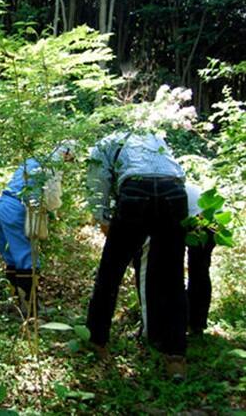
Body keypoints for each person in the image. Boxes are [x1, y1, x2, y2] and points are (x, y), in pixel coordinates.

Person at [85, 132, 188, 380]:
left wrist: (102, 217)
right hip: (174, 192)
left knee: (110, 273)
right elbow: (177, 172)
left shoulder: (103, 144)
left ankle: (96, 343)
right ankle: (175, 356)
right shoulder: (155, 139)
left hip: (135, 193)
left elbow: (97, 185)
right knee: (173, 277)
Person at [0, 142, 75, 317]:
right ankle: (30, 310)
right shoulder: (51, 166)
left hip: (0, 207)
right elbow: (52, 199)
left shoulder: (32, 160)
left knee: (12, 258)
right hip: (17, 210)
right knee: (28, 259)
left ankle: (14, 303)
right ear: (66, 154)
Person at [132, 182, 216, 337]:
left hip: (199, 219)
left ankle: (181, 324)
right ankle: (192, 323)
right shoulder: (164, 180)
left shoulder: (141, 191)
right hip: (208, 216)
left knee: (180, 272)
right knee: (199, 271)